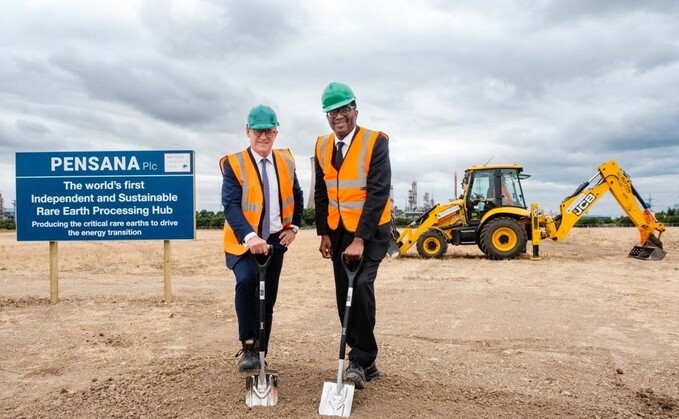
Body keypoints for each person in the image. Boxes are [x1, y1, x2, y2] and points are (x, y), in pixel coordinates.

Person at [313, 82, 392, 389]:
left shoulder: (375, 142)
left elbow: (377, 192)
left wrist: (360, 239)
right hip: (338, 231)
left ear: (355, 110)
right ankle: (365, 363)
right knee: (342, 294)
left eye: (344, 109)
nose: (339, 117)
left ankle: (361, 357)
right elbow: (321, 191)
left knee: (359, 286)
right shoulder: (321, 145)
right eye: (332, 112)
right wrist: (324, 233)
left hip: (371, 232)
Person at [220, 104, 304, 372]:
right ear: (248, 132)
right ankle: (248, 346)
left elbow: (298, 196)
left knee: (267, 297)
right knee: (246, 282)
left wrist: (294, 228)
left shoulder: (286, 161)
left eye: (268, 131)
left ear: (276, 132)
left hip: (275, 242)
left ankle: (261, 349)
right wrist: (250, 236)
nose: (263, 136)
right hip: (244, 243)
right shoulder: (234, 164)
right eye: (258, 131)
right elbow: (230, 205)